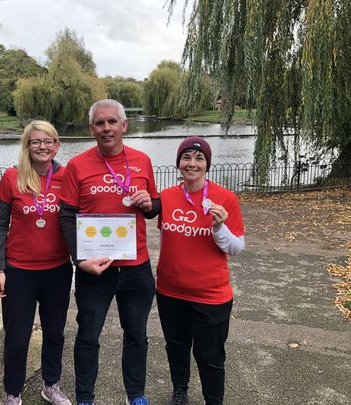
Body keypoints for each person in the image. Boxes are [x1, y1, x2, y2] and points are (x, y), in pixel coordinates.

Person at [59, 99, 160, 405]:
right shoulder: (78, 165)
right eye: (100, 123)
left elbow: (154, 208)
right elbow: (66, 216)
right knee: (88, 338)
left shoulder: (142, 161)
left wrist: (149, 204)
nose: (106, 128)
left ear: (124, 125)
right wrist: (79, 260)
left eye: (112, 122)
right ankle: (85, 398)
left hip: (136, 267)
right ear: (92, 129)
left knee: (137, 336)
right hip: (95, 268)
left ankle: (136, 395)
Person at [156, 136, 245, 405]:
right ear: (178, 163)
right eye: (186, 158)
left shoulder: (225, 199)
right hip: (169, 291)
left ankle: (213, 400)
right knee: (176, 347)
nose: (191, 164)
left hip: (211, 295)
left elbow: (236, 248)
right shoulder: (166, 197)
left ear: (207, 165)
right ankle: (180, 389)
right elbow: (164, 239)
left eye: (199, 158)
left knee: (210, 355)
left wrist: (219, 228)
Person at [0, 120, 73, 405]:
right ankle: (12, 393)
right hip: (19, 272)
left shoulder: (67, 176)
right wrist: (0, 268)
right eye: (36, 141)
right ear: (27, 145)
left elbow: (80, 218)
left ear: (56, 145)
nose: (42, 146)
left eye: (48, 141)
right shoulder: (11, 177)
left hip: (58, 271)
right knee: (17, 337)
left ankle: (51, 385)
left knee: (54, 333)